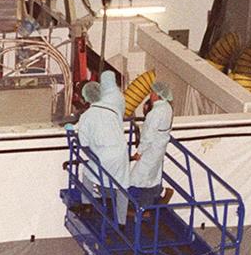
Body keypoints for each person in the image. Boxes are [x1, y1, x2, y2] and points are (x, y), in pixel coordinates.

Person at [68, 70, 131, 226]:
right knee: (123, 185)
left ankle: (87, 205)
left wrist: (71, 131)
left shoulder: (87, 116)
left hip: (104, 155)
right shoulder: (113, 108)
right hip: (121, 152)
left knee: (88, 173)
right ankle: (122, 222)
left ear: (86, 98)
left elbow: (83, 144)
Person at [128, 80, 174, 212]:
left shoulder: (155, 112)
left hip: (152, 147)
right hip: (160, 145)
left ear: (157, 94)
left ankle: (143, 208)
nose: (150, 94)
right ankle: (157, 195)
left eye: (152, 92)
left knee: (138, 176)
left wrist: (139, 152)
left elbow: (148, 135)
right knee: (152, 174)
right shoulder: (167, 107)